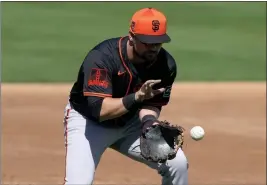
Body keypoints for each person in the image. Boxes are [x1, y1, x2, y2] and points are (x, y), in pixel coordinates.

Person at [62, 7, 188, 185]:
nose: (153, 48)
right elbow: (100, 110)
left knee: (178, 164)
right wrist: (136, 97)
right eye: (147, 42)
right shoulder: (102, 58)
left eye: (158, 43)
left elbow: (152, 103)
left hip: (130, 124)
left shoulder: (165, 65)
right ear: (131, 36)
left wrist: (148, 122)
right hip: (89, 124)